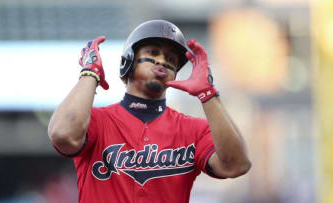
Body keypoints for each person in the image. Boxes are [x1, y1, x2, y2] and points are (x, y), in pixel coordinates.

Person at [48, 19, 251, 203]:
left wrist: (208, 94)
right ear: (128, 59)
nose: (162, 61)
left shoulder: (194, 129)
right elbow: (63, 135)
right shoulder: (96, 121)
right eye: (153, 53)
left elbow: (236, 165)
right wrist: (89, 74)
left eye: (171, 58)